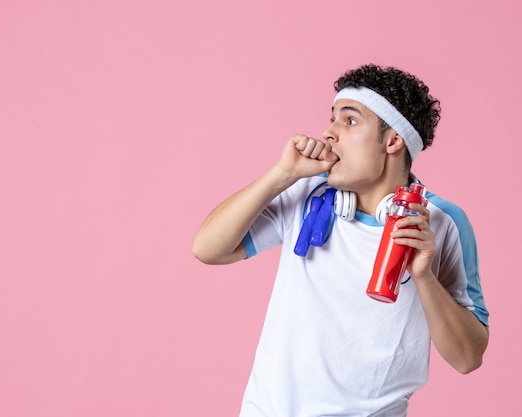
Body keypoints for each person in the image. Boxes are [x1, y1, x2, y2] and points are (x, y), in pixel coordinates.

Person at [192, 64, 489, 417]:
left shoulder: (441, 223)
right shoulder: (307, 194)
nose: (328, 133)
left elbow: (468, 358)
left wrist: (423, 276)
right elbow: (207, 248)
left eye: (349, 121)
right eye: (332, 118)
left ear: (393, 140)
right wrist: (281, 174)